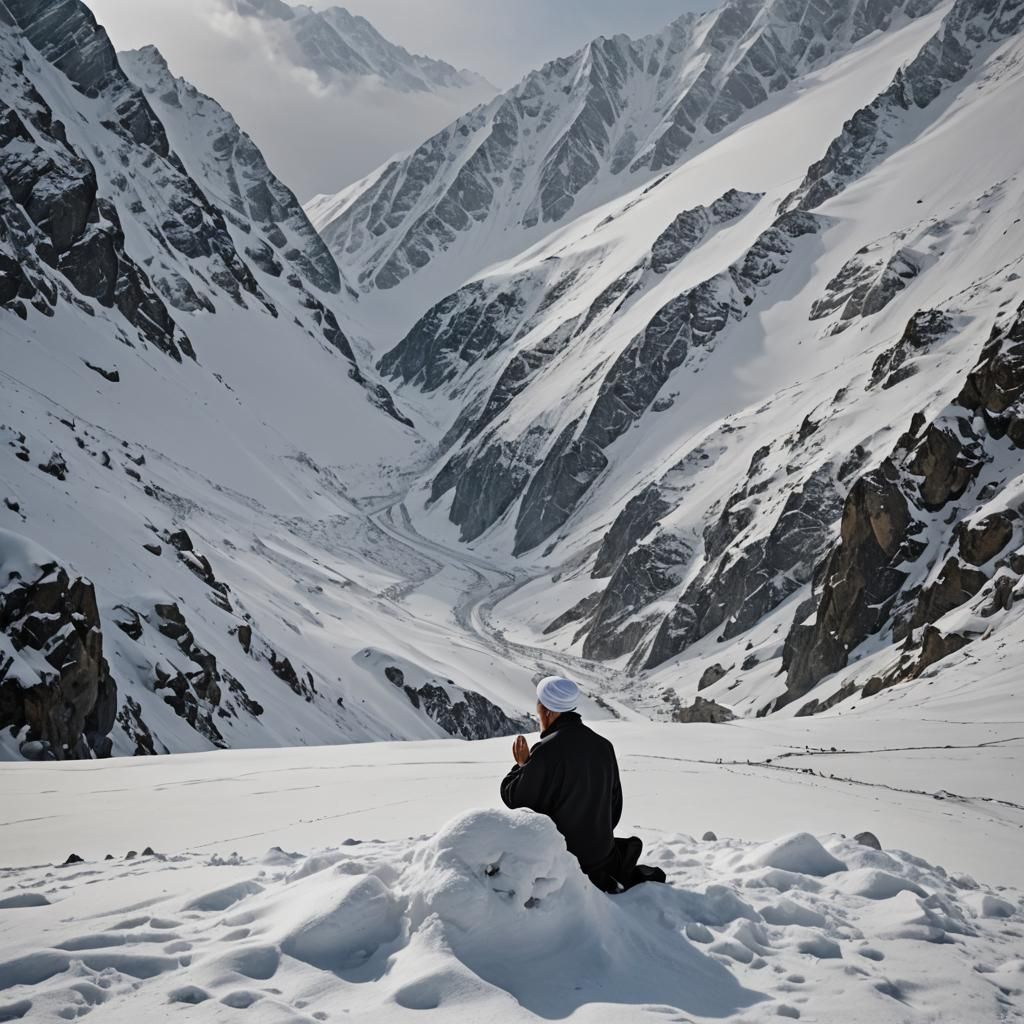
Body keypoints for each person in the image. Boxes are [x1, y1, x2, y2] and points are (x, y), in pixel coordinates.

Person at [500, 675, 666, 893]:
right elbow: (614, 809)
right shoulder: (603, 745)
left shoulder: (545, 751)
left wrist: (522, 766)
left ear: (547, 711)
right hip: (600, 858)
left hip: (565, 863)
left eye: (538, 706)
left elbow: (515, 800)